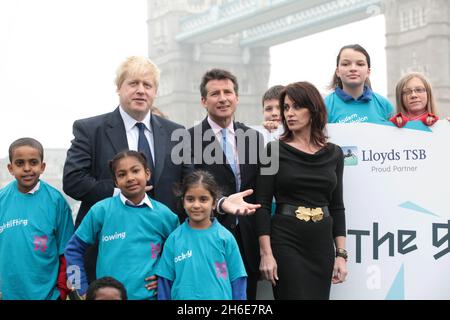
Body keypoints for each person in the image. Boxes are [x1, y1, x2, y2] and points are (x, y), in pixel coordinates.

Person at [255, 82, 348, 300]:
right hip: (286, 241)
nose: (289, 113)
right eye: (286, 107)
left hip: (321, 243)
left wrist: (341, 255)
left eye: (296, 107)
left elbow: (337, 207)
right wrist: (266, 253)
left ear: (313, 109)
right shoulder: (273, 150)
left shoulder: (334, 154)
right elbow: (263, 204)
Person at [188, 69, 264, 300]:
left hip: (248, 239)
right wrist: (219, 205)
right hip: (210, 236)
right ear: (203, 100)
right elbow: (187, 191)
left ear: (237, 97)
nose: (222, 98)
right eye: (215, 93)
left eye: (228, 92)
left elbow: (260, 190)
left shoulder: (254, 137)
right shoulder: (188, 139)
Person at [65, 151, 180, 300]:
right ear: (115, 181)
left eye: (135, 171)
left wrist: (165, 280)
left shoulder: (165, 216)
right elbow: (73, 250)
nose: (130, 178)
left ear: (147, 174)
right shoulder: (101, 210)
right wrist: (81, 288)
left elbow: (179, 257)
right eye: (122, 174)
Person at [0, 138, 74, 300]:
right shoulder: (2, 200)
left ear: (42, 167)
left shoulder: (56, 202)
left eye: (33, 162)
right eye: (20, 163)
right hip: (8, 294)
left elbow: (68, 251)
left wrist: (62, 292)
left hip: (48, 295)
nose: (27, 169)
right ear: (10, 168)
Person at [156, 170, 247, 300]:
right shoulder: (174, 239)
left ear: (214, 202)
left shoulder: (225, 238)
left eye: (203, 199)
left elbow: (238, 280)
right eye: (190, 199)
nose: (196, 205)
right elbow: (165, 282)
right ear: (183, 202)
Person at [325, 44, 394, 124]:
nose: (353, 68)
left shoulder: (384, 105)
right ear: (338, 71)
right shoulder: (324, 106)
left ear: (368, 72)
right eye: (346, 64)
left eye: (360, 64)